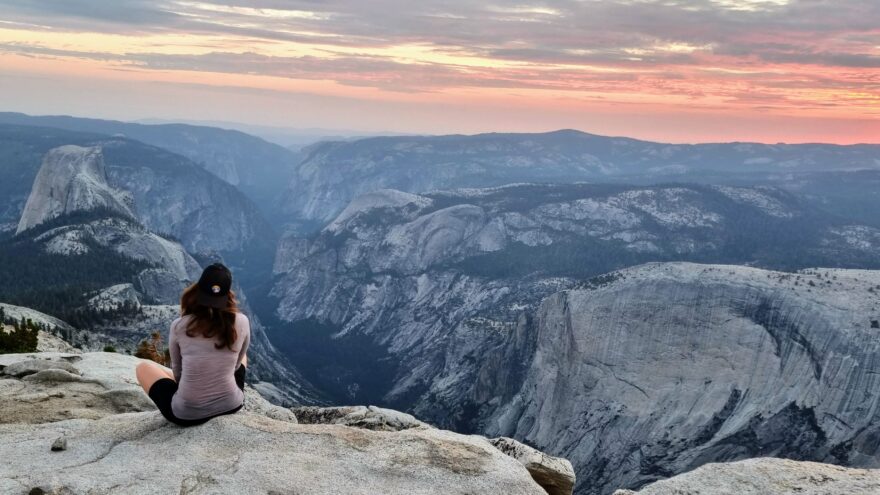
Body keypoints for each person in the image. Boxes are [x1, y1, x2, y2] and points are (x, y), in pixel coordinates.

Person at [135, 263, 250, 427]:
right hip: (231, 404)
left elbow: (178, 372)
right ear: (227, 295)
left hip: (187, 414)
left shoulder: (179, 326)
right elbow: (237, 364)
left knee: (143, 368)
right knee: (242, 355)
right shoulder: (242, 321)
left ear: (198, 290)